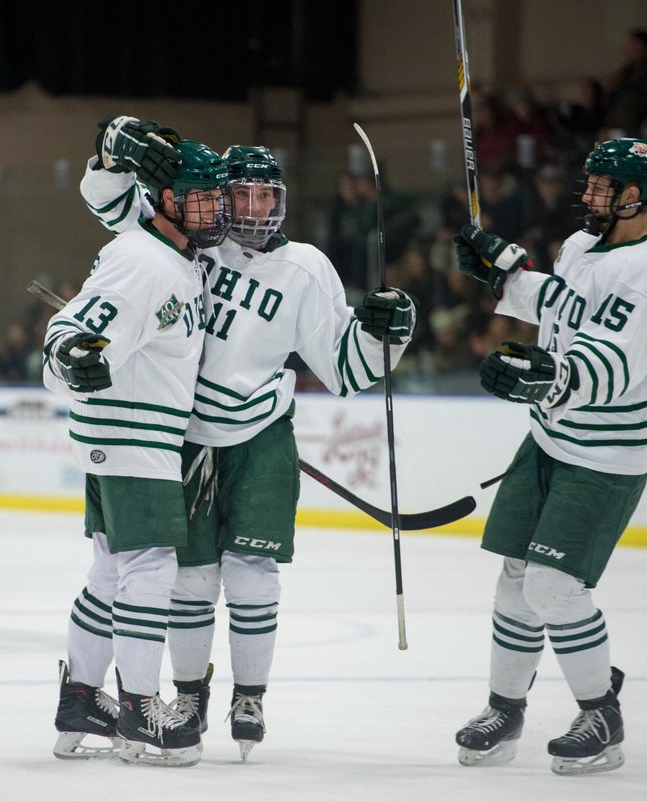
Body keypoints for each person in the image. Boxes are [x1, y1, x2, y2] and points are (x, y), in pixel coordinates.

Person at [80, 115, 416, 760]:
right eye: (243, 194)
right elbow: (110, 202)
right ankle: (189, 695)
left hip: (261, 436)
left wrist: (387, 331)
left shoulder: (307, 267)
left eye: (268, 196)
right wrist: (111, 147)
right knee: (192, 578)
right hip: (186, 437)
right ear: (219, 195)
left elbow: (346, 367)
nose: (256, 208)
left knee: (254, 569)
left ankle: (250, 696)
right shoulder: (193, 240)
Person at [451, 138, 647, 775]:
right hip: (553, 437)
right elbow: (565, 309)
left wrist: (550, 380)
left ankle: (600, 716)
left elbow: (614, 365)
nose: (587, 196)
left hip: (607, 452)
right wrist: (507, 273)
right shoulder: (583, 247)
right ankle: (506, 709)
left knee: (555, 585)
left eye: (601, 188)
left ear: (634, 197)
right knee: (515, 577)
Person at [47, 132, 232, 768]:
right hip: (132, 439)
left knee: (110, 573)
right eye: (204, 200)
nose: (219, 211)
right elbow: (70, 328)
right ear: (167, 200)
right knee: (150, 571)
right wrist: (69, 358)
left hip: (129, 438)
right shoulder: (142, 259)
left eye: (218, 198)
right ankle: (140, 712)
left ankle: (79, 700)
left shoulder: (174, 259)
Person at [603, 28, 647, 135]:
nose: (627, 48)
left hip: (643, 120)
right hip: (623, 120)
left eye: (631, 44)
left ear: (640, 45)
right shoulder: (628, 69)